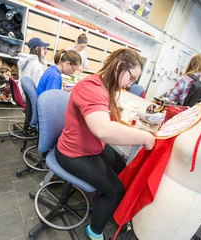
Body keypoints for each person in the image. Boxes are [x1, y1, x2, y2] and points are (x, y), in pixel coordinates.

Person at [55, 49, 156, 240]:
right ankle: (94, 232)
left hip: (91, 146)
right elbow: (103, 130)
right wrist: (145, 137)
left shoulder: (103, 86)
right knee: (116, 190)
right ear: (119, 67)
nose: (130, 84)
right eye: (131, 77)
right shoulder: (92, 88)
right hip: (73, 153)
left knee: (121, 167)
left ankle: (102, 200)